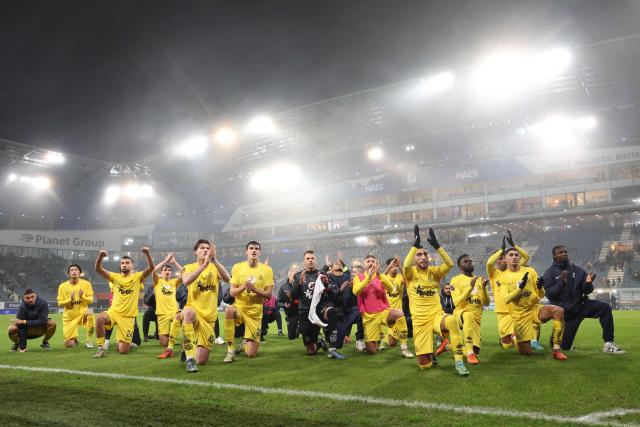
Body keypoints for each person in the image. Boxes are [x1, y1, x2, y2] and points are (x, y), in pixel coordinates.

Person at [403, 225, 469, 376]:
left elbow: (450, 264)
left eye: (425, 254)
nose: (423, 257)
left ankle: (459, 363)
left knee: (452, 320)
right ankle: (442, 348)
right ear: (414, 259)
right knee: (425, 366)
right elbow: (406, 264)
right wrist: (415, 245)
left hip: (436, 316)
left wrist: (437, 246)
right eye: (419, 255)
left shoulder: (435, 272)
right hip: (419, 321)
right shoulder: (410, 273)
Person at [542, 246, 625, 354]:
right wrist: (561, 282)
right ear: (554, 256)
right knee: (565, 347)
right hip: (567, 312)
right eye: (560, 252)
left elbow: (587, 291)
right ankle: (557, 338)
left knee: (605, 308)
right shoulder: (549, 272)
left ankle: (608, 344)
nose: (564, 253)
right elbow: (550, 294)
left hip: (581, 305)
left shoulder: (577, 269)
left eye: (565, 251)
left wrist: (588, 283)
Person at [502, 248, 567, 360]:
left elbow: (541, 295)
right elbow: (506, 299)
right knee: (526, 353)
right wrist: (519, 289)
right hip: (520, 316)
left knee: (558, 311)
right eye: (511, 255)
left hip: (534, 309)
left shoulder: (530, 271)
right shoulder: (502, 277)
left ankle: (556, 350)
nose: (514, 257)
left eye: (516, 255)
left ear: (519, 258)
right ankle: (514, 338)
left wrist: (540, 287)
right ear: (505, 258)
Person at [93, 248, 154, 358]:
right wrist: (101, 256)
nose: (124, 265)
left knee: (123, 351)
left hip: (128, 317)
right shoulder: (115, 277)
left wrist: (147, 254)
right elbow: (98, 268)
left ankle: (122, 341)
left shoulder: (137, 277)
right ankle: (101, 348)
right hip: (114, 312)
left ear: (132, 266)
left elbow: (151, 268)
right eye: (122, 263)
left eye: (127, 263)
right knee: (100, 318)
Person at [181, 239, 230, 371]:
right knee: (187, 312)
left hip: (209, 319)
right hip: (194, 312)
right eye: (202, 248)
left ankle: (187, 349)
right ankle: (189, 359)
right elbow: (186, 281)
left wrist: (215, 261)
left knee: (201, 361)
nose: (205, 250)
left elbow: (227, 279)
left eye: (208, 248)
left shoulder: (214, 267)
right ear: (194, 252)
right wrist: (203, 266)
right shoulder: (188, 267)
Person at [486, 232, 541, 350]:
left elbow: (526, 257)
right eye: (500, 259)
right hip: (503, 311)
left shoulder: (516, 268)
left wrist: (514, 246)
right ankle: (512, 339)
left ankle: (530, 341)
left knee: (521, 338)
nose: (503, 261)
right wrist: (501, 250)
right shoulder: (494, 273)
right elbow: (489, 262)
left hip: (517, 309)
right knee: (506, 344)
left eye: (504, 258)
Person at [223, 241, 274, 362]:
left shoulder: (267, 270)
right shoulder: (237, 267)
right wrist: (244, 287)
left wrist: (255, 289)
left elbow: (269, 295)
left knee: (251, 354)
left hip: (255, 313)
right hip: (240, 307)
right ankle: (230, 351)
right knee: (229, 310)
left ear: (260, 252)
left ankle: (245, 344)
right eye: (251, 248)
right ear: (246, 251)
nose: (254, 250)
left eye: (256, 248)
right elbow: (232, 293)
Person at [353, 255, 411, 358]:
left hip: (383, 312)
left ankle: (404, 348)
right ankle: (379, 337)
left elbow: (391, 288)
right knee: (372, 350)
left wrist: (380, 275)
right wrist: (368, 278)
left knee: (399, 313)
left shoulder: (380, 277)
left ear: (376, 264)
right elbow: (356, 291)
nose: (371, 263)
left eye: (373, 261)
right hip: (369, 317)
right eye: (368, 261)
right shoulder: (358, 277)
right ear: (364, 264)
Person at [291, 250, 345, 359]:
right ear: (304, 261)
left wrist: (327, 286)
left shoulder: (323, 274)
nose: (310, 260)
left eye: (312, 258)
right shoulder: (297, 276)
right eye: (308, 258)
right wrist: (299, 285)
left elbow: (332, 295)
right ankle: (320, 343)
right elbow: (293, 297)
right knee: (310, 351)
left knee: (331, 311)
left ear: (315, 261)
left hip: (321, 308)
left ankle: (332, 348)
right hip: (306, 312)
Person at [450, 255, 489, 365]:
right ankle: (470, 353)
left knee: (476, 351)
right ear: (460, 266)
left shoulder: (479, 280)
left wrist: (484, 289)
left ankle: (448, 346)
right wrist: (469, 288)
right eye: (465, 261)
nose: (469, 263)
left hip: (476, 319)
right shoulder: (455, 280)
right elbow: (456, 302)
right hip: (460, 314)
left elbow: (486, 303)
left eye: (470, 261)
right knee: (468, 315)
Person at [56, 264, 95, 348]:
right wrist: (70, 300)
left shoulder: (86, 284)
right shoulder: (62, 286)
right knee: (69, 345)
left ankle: (89, 341)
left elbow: (91, 300)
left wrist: (82, 297)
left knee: (90, 314)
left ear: (80, 273)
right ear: (68, 274)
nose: (74, 271)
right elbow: (59, 303)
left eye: (76, 270)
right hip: (69, 317)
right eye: (72, 270)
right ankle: (74, 338)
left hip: (82, 314)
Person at [153, 253, 184, 357]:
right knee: (163, 343)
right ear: (161, 273)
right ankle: (172, 338)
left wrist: (174, 262)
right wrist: (165, 260)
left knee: (181, 316)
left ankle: (187, 340)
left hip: (173, 311)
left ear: (171, 273)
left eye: (169, 270)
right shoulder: (157, 281)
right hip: (161, 314)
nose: (167, 272)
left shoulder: (174, 282)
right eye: (165, 270)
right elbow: (153, 270)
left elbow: (185, 273)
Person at [382, 257, 413, 357]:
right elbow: (380, 278)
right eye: (392, 266)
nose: (394, 268)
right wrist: (389, 266)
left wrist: (399, 265)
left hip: (399, 312)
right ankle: (403, 348)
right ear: (388, 267)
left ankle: (384, 338)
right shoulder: (385, 278)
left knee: (392, 344)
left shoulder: (400, 277)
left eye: (395, 266)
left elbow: (409, 279)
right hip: (388, 312)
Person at [8, 288, 56, 352]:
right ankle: (17, 344)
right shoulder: (22, 306)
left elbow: (43, 321)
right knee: (11, 328)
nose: (30, 299)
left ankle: (45, 342)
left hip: (40, 329)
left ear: (35, 296)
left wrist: (24, 321)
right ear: (24, 299)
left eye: (32, 297)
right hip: (27, 330)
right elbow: (21, 325)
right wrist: (23, 347)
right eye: (28, 298)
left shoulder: (43, 303)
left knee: (52, 323)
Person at [277, 267, 300, 340]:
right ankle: (297, 328)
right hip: (291, 313)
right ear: (288, 276)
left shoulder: (301, 286)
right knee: (291, 337)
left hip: (301, 311)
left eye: (296, 275)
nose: (294, 277)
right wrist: (284, 305)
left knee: (306, 328)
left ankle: (300, 327)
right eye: (293, 275)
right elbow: (278, 302)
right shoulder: (283, 287)